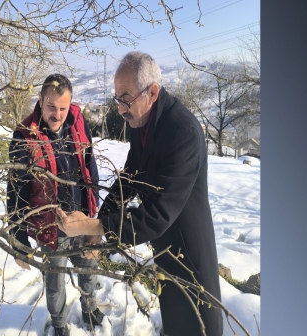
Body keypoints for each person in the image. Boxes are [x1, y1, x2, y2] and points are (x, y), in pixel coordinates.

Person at [57, 52, 224, 336]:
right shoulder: (143, 122)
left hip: (189, 254)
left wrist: (95, 226)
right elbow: (130, 178)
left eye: (125, 98)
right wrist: (101, 225)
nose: (120, 108)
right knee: (174, 322)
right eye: (117, 99)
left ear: (152, 92)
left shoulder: (182, 132)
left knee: (197, 326)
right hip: (164, 248)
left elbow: (159, 213)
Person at [6, 74, 105, 336]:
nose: (57, 114)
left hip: (82, 217)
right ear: (40, 100)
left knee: (88, 267)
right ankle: (60, 323)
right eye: (51, 107)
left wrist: (93, 214)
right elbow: (16, 193)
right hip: (51, 225)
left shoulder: (77, 120)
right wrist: (18, 240)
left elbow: (89, 164)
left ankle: (89, 306)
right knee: (55, 280)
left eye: (62, 108)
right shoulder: (24, 136)